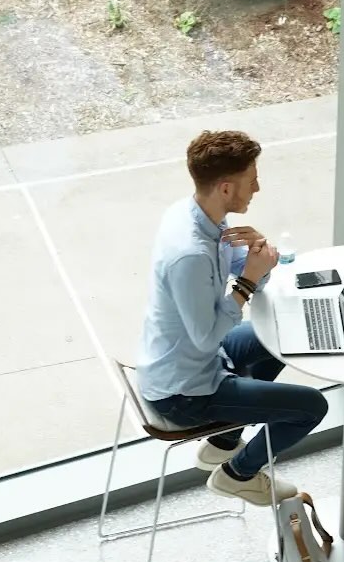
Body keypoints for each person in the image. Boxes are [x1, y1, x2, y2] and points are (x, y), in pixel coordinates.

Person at [138, 130, 329, 506]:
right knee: (312, 407)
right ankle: (237, 474)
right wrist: (247, 280)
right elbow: (207, 337)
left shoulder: (200, 215)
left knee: (283, 334)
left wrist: (259, 253)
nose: (257, 187)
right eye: (251, 180)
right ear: (226, 188)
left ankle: (222, 443)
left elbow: (256, 273)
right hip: (184, 393)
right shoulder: (190, 254)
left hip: (194, 359)